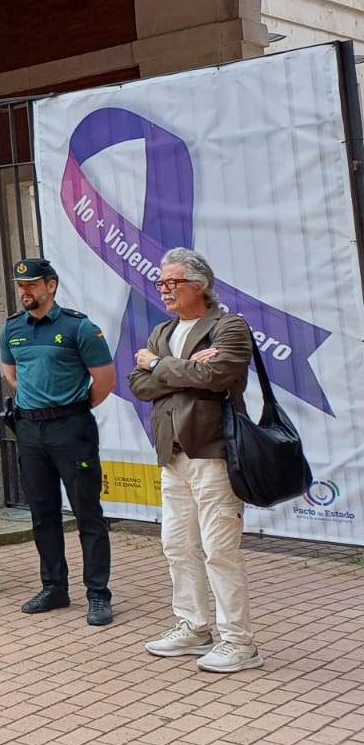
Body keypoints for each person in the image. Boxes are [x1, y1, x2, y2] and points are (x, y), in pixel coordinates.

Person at [128, 248, 262, 673]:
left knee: (219, 551)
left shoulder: (230, 327)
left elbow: (215, 377)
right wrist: (180, 367)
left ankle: (239, 641)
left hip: (213, 452)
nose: (164, 290)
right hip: (173, 455)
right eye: (161, 283)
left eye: (172, 282)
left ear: (199, 284)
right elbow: (139, 385)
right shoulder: (163, 330)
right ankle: (192, 625)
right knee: (177, 546)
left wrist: (160, 366)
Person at [1, 257, 117, 626]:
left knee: (88, 514)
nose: (25, 291)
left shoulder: (78, 327)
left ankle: (98, 594)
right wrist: (34, 403)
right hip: (30, 432)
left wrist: (69, 409)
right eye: (21, 285)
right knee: (42, 514)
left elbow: (105, 380)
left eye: (32, 284)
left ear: (50, 285)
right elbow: (10, 372)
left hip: (72, 429)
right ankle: (54, 587)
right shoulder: (12, 328)